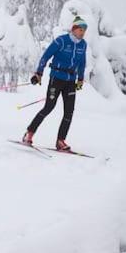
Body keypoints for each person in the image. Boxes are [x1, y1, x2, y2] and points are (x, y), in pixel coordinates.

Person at [23, 15, 88, 152]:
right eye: (81, 29)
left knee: (69, 112)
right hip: (56, 79)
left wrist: (80, 79)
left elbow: (82, 63)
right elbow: (46, 56)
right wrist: (39, 73)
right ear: (74, 29)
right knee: (49, 107)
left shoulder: (83, 45)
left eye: (84, 30)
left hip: (70, 81)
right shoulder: (61, 41)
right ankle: (29, 133)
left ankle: (60, 141)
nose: (83, 32)